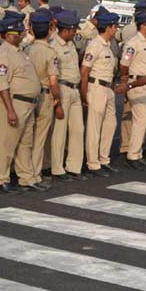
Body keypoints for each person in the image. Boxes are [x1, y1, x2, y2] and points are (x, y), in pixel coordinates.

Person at [0, 17, 46, 193]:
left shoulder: (19, 50)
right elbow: (2, 85)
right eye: (19, 32)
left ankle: (26, 178)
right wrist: (10, 110)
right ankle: (0, 180)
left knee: (25, 143)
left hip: (27, 104)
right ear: (9, 35)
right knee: (6, 144)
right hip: (15, 104)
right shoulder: (4, 54)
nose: (23, 34)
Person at [117, 10, 146, 168]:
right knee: (141, 120)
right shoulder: (133, 43)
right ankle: (133, 155)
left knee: (142, 120)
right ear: (142, 26)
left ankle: (137, 152)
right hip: (136, 83)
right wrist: (125, 81)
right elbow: (124, 65)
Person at [81, 8, 120, 176]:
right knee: (94, 128)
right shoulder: (95, 45)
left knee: (110, 125)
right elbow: (84, 71)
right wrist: (84, 95)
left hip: (107, 88)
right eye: (115, 26)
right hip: (96, 87)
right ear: (109, 27)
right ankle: (93, 163)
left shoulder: (108, 45)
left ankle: (104, 158)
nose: (116, 29)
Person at [26, 11, 63, 184]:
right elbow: (53, 81)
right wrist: (58, 100)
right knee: (40, 138)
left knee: (26, 137)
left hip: (27, 96)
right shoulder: (51, 53)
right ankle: (34, 173)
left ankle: (23, 171)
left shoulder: (26, 49)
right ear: (49, 30)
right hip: (45, 95)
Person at [50, 10, 86, 179]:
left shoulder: (71, 44)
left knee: (78, 129)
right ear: (66, 30)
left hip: (75, 89)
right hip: (62, 89)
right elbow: (52, 76)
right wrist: (56, 102)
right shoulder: (53, 46)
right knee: (60, 132)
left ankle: (74, 166)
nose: (76, 32)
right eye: (73, 30)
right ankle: (57, 168)